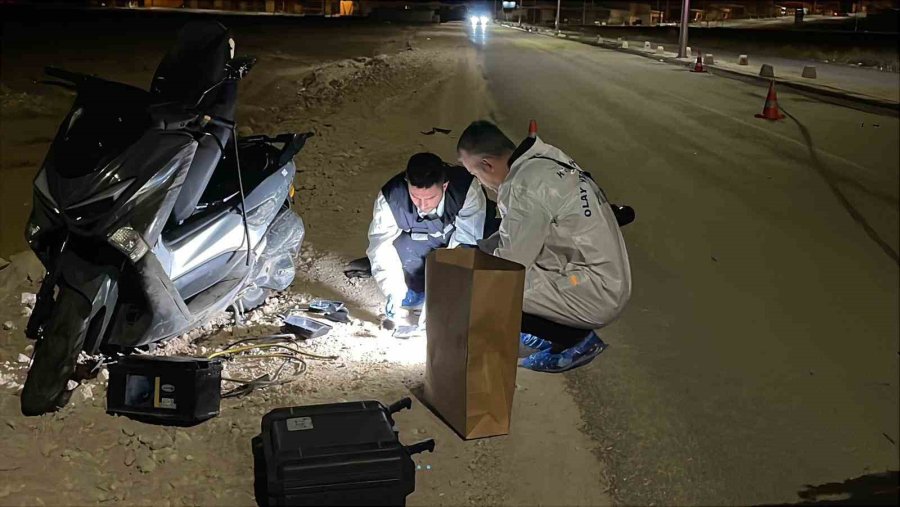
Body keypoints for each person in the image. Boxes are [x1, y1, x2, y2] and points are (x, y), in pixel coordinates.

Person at [457, 120, 632, 372]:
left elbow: (508, 266)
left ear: (487, 165)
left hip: (592, 289)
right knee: (490, 264)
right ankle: (548, 334)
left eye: (475, 174)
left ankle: (576, 341)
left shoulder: (524, 187)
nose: (480, 181)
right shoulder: (542, 161)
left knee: (491, 286)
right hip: (603, 276)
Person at [366, 152, 492, 331]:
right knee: (405, 277)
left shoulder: (465, 189)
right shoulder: (391, 197)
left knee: (482, 261)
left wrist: (440, 297)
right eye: (415, 197)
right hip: (419, 244)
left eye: (430, 198)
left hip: (459, 241)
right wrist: (392, 291)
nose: (423, 205)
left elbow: (466, 243)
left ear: (445, 186)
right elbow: (380, 246)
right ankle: (417, 290)